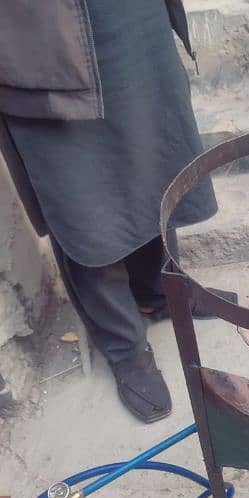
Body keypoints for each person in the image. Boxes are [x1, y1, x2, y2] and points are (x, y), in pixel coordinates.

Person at [0, 0, 233, 423]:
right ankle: (123, 342)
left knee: (152, 154)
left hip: (128, 13)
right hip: (35, 27)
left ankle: (159, 290)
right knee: (76, 189)